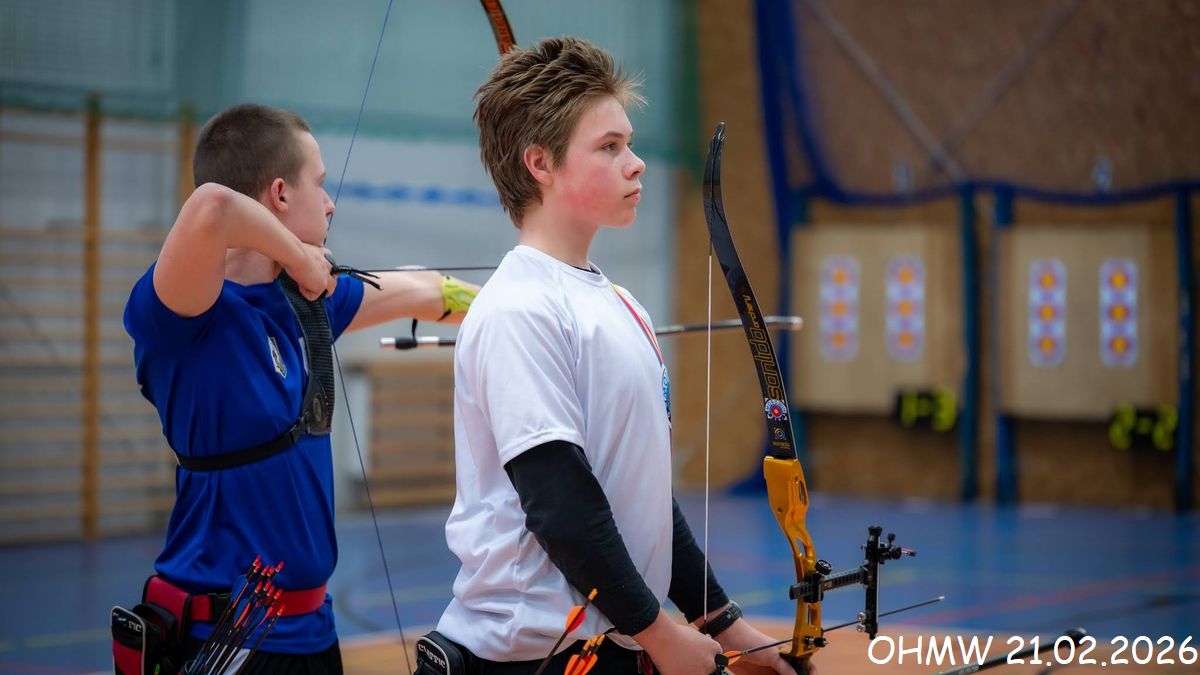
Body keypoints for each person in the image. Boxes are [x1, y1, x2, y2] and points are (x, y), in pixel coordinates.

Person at [429, 37, 800, 675]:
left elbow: (641, 498)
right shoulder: (519, 309)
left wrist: (724, 623)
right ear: (539, 162)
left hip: (616, 643)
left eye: (628, 144)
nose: (636, 163)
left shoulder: (622, 303)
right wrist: (661, 636)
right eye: (609, 147)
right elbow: (562, 507)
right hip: (532, 658)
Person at [122, 102, 479, 673]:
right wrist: (300, 258)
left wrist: (526, 306)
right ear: (281, 194)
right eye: (320, 182)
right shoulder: (184, 315)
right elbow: (212, 207)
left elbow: (424, 289)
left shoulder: (307, 304)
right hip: (227, 640)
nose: (331, 201)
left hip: (314, 632)